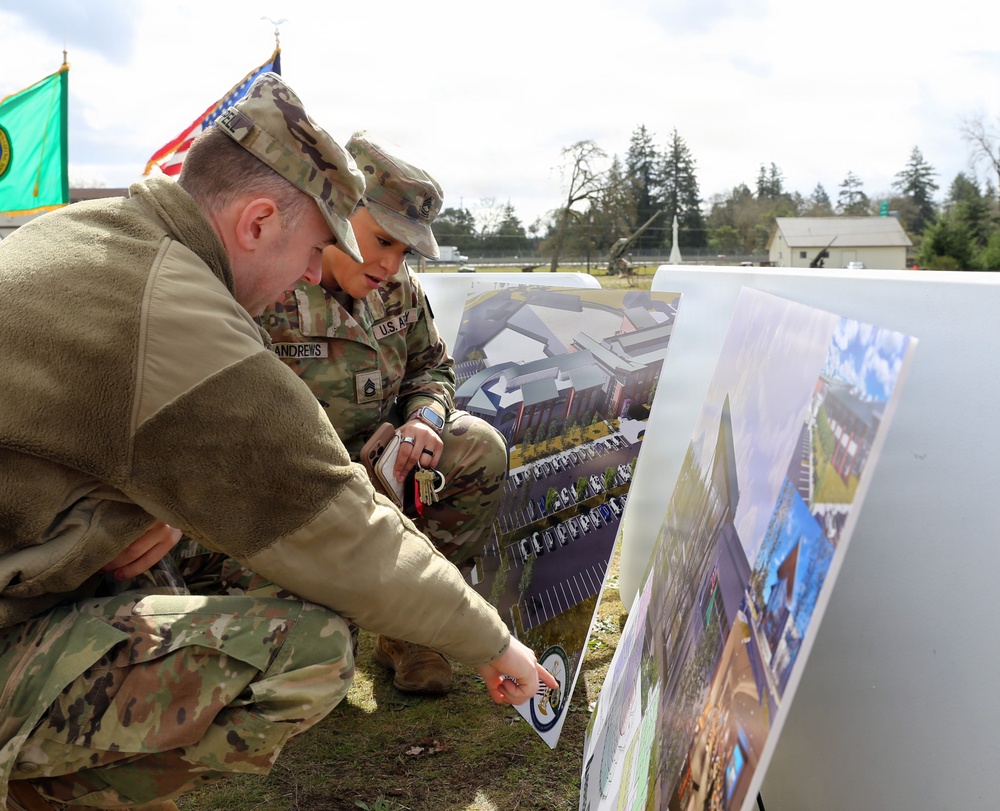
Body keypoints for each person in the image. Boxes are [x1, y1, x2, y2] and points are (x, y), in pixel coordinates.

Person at [0, 73, 555, 811]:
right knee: (311, 651)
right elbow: (333, 524)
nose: (311, 271)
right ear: (258, 221)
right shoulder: (175, 306)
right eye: (315, 247)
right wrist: (494, 643)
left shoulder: (85, 238)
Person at [260, 132, 508, 696]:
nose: (392, 264)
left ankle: (412, 630)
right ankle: (325, 622)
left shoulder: (399, 291)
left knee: (480, 448)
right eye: (381, 241)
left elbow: (432, 367)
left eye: (405, 251)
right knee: (313, 673)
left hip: (387, 473)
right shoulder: (267, 290)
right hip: (294, 491)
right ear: (338, 215)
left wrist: (424, 418)